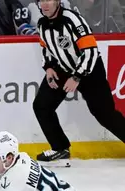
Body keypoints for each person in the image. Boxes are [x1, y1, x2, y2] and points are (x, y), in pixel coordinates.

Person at [33, 0, 125, 167]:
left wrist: (76, 77)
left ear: (58, 1)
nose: (45, 4)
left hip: (89, 71)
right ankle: (60, 148)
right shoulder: (42, 24)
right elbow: (46, 47)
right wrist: (48, 67)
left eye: (49, 0)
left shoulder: (73, 20)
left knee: (105, 115)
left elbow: (90, 51)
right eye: (41, 1)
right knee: (41, 105)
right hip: (63, 69)